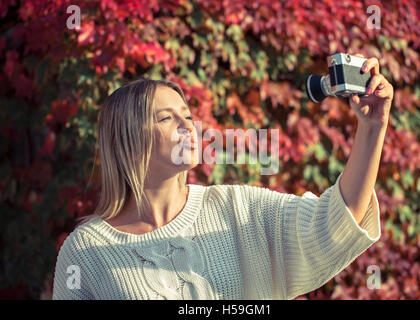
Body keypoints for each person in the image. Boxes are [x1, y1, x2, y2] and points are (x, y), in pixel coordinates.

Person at [52, 55, 393, 300]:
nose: (188, 126)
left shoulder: (238, 207)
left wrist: (372, 127)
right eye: (167, 119)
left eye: (187, 115)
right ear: (126, 139)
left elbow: (334, 221)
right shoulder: (87, 251)